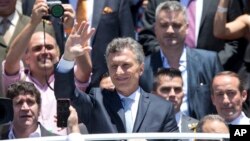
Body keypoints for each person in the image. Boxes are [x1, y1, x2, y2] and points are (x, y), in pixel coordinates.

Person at [2, 0, 94, 135]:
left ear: (58, 53)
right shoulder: (19, 80)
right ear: (26, 57)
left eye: (49, 47)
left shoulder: (68, 79)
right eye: (37, 48)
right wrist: (33, 23)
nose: (44, 52)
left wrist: (70, 28)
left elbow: (85, 71)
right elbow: (10, 62)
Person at [54, 37, 179, 135]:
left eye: (126, 65)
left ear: (141, 68)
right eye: (114, 66)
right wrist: (68, 57)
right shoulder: (97, 100)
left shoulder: (162, 108)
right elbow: (65, 94)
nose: (119, 72)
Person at [22, 0, 135, 89]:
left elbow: (128, 43)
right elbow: (35, 41)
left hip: (106, 84)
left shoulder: (116, 1)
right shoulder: (53, 2)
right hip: (62, 86)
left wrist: (115, 76)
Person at [139, 1, 223, 120]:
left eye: (176, 25)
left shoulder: (209, 62)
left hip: (201, 134)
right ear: (155, 29)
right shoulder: (143, 69)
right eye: (164, 25)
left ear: (187, 28)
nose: (170, 30)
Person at [139, 0, 246, 72]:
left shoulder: (223, 2)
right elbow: (148, 36)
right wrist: (169, 61)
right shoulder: (158, 1)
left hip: (211, 76)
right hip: (164, 74)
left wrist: (211, 65)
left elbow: (235, 41)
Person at [0, 81, 86, 139]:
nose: (25, 108)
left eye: (30, 102)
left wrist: (73, 128)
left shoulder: (56, 140)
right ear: (9, 109)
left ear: (39, 108)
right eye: (19, 103)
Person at [152, 68, 198, 133]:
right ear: (153, 95)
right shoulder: (142, 125)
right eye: (166, 89)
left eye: (177, 89)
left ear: (183, 94)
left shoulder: (198, 128)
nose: (172, 94)